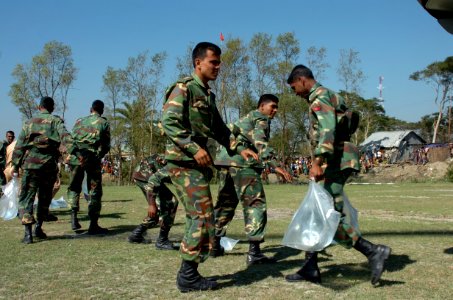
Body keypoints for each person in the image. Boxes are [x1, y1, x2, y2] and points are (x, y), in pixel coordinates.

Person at [161, 42, 258, 292]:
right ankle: (188, 274)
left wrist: (238, 147)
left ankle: (189, 272)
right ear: (198, 63)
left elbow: (220, 130)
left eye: (219, 62)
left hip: (196, 164)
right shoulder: (184, 88)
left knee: (205, 216)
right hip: (183, 162)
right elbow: (168, 122)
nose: (218, 67)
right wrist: (195, 148)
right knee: (202, 215)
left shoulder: (207, 94)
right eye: (213, 62)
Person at [285, 65, 391, 286]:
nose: (294, 92)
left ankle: (372, 251)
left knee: (328, 214)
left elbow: (327, 130)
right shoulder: (329, 95)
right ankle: (310, 267)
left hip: (335, 160)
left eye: (294, 87)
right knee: (318, 211)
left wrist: (318, 161)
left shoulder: (320, 97)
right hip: (341, 158)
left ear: (302, 80)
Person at [212, 94, 292, 265]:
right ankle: (254, 252)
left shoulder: (246, 118)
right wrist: (275, 165)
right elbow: (260, 143)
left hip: (226, 161)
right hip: (243, 163)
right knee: (255, 203)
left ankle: (214, 244)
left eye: (277, 108)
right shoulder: (260, 118)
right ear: (262, 106)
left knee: (225, 202)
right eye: (273, 107)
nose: (275, 111)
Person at [11, 96, 79, 244]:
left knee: (27, 198)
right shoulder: (56, 121)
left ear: (38, 106)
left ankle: (28, 234)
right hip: (48, 166)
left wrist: (15, 165)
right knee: (44, 198)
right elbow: (66, 137)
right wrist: (76, 152)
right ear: (52, 107)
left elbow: (19, 146)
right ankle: (38, 228)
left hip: (31, 165)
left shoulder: (28, 123)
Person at [67, 100, 111, 235]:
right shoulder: (104, 123)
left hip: (76, 157)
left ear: (90, 109)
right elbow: (106, 145)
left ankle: (74, 218)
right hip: (91, 157)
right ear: (102, 110)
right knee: (94, 190)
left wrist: (76, 154)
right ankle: (93, 224)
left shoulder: (79, 121)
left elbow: (71, 139)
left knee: (74, 187)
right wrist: (98, 156)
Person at [128, 154, 179, 250]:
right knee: (170, 203)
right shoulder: (177, 166)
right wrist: (151, 204)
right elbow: (153, 181)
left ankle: (136, 235)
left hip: (146, 175)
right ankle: (162, 241)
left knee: (161, 208)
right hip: (145, 176)